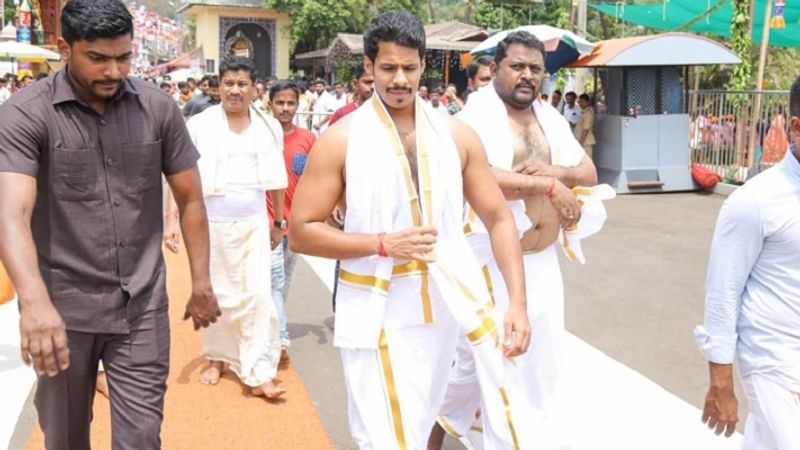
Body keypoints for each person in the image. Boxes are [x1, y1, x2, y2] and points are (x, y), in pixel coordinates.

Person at [289, 11, 531, 449]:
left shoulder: (457, 135)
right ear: (368, 66)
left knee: (420, 427)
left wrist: (517, 302)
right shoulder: (341, 139)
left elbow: (499, 217)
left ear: (424, 64)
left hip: (444, 307)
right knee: (384, 438)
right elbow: (301, 231)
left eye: (408, 67)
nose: (399, 79)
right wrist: (382, 244)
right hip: (375, 308)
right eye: (387, 68)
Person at [0, 0, 220, 447]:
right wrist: (35, 303)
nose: (114, 71)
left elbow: (191, 198)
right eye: (98, 58)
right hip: (62, 309)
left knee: (141, 438)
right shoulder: (25, 114)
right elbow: (11, 212)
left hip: (141, 306)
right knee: (64, 436)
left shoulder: (158, 109)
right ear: (65, 47)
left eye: (124, 57)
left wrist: (201, 281)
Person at [432, 31, 597, 450]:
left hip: (542, 262)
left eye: (535, 69)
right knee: (505, 361)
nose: (527, 75)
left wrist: (554, 175)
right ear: (495, 69)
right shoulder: (476, 115)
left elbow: (588, 172)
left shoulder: (548, 116)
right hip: (492, 259)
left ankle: (429, 429)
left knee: (534, 364)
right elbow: (478, 176)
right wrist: (546, 187)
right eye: (517, 66)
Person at [165, 56, 288, 399]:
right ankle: (217, 358)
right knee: (215, 294)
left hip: (252, 225)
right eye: (229, 83)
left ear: (254, 88)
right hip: (208, 225)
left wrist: (278, 221)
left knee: (257, 297)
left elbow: (277, 179)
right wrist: (172, 219)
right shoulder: (200, 125)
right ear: (219, 87)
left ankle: (257, 369)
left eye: (242, 84)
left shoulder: (268, 126)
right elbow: (181, 177)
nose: (235, 90)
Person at [695, 76, 800, 450]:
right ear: (795, 128)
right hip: (775, 359)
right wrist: (720, 382)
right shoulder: (755, 201)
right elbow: (722, 293)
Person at [267, 80, 317, 363]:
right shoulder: (259, 135)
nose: (285, 109)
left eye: (290, 103)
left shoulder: (308, 140)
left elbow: (318, 179)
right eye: (280, 103)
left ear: (298, 106)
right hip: (267, 223)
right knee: (272, 281)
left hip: (296, 223)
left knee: (283, 281)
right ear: (269, 103)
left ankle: (272, 326)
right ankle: (280, 339)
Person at [574, 93, 596, 158]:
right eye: (580, 102)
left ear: (587, 102)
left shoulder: (588, 113)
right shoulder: (583, 112)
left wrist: (580, 143)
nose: (580, 104)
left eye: (582, 102)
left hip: (585, 143)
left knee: (587, 163)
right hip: (581, 141)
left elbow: (585, 129)